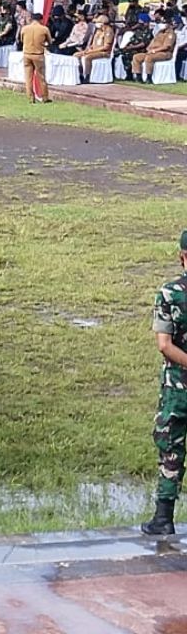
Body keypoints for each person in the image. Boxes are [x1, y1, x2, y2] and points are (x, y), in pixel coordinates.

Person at [143, 230, 187, 536]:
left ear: (182, 256)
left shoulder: (170, 293)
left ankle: (163, 518)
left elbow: (164, 344)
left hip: (177, 388)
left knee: (171, 447)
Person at [132, 13, 178, 83]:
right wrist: (149, 48)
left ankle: (149, 78)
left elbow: (166, 46)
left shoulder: (170, 34)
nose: (163, 24)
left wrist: (154, 51)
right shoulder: (159, 32)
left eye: (165, 23)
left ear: (169, 24)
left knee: (149, 58)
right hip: (153, 52)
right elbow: (153, 42)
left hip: (165, 53)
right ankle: (138, 77)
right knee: (136, 57)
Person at [19, 11, 52, 104]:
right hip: (38, 55)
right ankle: (45, 97)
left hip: (27, 54)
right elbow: (50, 41)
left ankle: (30, 98)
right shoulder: (44, 29)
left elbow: (21, 40)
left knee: (28, 77)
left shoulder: (24, 28)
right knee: (41, 77)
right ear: (41, 20)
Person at [76, 14, 115, 82]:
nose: (96, 24)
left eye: (98, 22)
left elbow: (106, 47)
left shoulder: (109, 31)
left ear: (102, 23)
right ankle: (80, 74)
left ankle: (87, 76)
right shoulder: (98, 31)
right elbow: (94, 43)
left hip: (104, 53)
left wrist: (91, 51)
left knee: (87, 57)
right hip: (94, 50)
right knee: (77, 55)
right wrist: (89, 48)